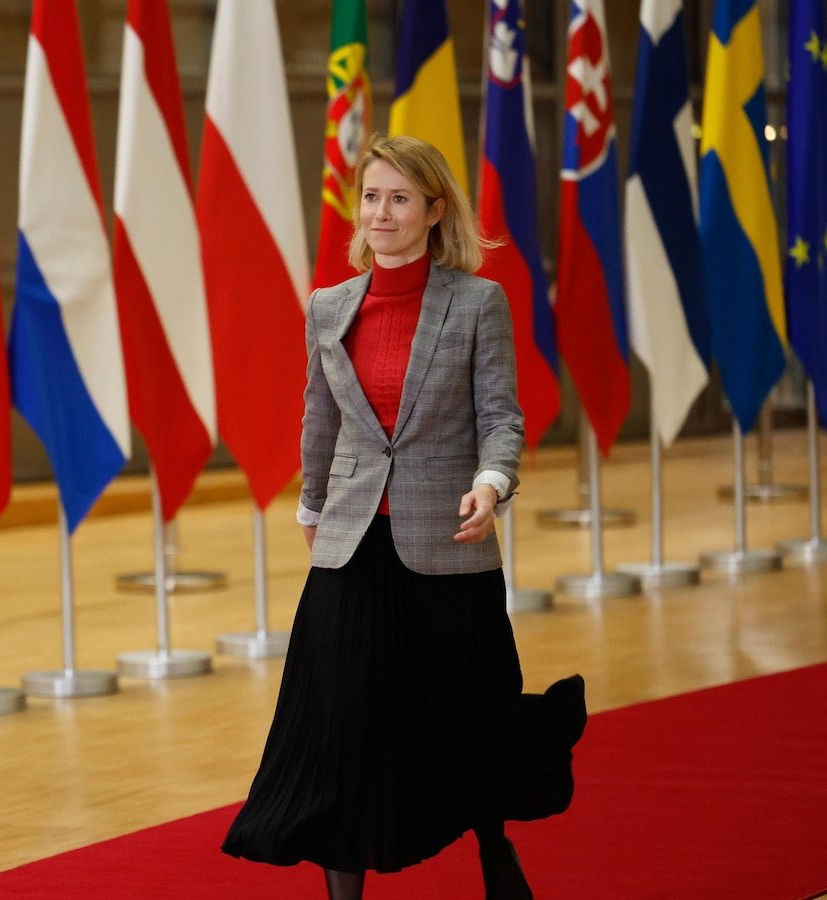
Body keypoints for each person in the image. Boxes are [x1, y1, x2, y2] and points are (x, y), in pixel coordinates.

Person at [221, 135, 536, 899]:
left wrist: (492, 483)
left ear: (435, 210)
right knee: (341, 727)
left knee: (463, 720)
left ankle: (494, 849)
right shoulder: (329, 307)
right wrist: (311, 504)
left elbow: (501, 416)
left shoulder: (477, 303)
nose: (381, 213)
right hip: (351, 543)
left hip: (447, 542)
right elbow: (320, 418)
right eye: (371, 197)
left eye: (400, 199)